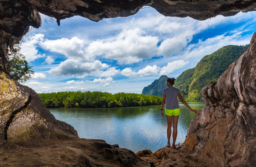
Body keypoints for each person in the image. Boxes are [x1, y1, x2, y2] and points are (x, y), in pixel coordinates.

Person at [161, 78, 198, 149]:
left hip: (168, 109)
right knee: (175, 127)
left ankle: (168, 143)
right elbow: (182, 100)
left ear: (168, 83)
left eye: (166, 82)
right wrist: (191, 109)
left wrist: (161, 109)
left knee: (169, 126)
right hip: (176, 109)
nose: (166, 83)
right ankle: (173, 145)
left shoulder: (165, 90)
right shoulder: (176, 90)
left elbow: (163, 101)